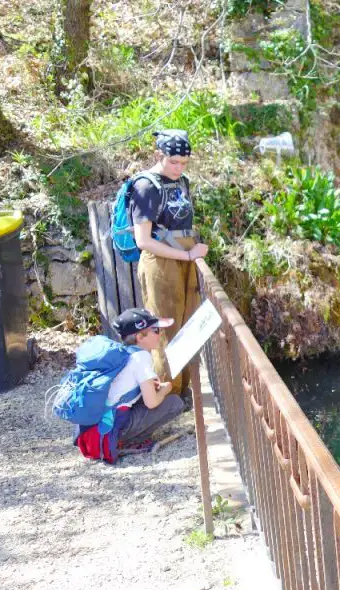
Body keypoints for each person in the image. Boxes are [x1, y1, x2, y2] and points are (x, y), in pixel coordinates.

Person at [131, 129, 208, 401]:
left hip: (184, 263)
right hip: (161, 266)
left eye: (183, 163)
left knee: (187, 326)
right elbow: (143, 241)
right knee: (164, 331)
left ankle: (182, 391)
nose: (178, 168)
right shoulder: (145, 186)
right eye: (173, 162)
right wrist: (188, 256)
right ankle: (168, 397)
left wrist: (191, 255)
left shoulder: (182, 182)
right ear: (158, 155)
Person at [75, 308, 184, 462]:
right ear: (140, 336)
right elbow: (151, 403)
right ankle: (129, 441)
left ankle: (125, 437)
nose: (160, 334)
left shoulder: (124, 353)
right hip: (111, 429)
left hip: (94, 431)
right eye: (156, 330)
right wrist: (166, 389)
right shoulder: (141, 358)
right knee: (175, 403)